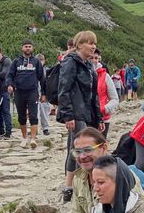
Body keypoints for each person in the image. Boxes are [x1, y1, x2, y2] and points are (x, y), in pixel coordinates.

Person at [58, 31, 103, 202]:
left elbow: (94, 95)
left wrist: (98, 118)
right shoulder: (70, 62)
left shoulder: (89, 65)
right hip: (76, 113)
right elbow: (64, 90)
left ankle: (71, 187)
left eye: (94, 43)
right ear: (79, 45)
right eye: (90, 43)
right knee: (80, 149)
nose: (93, 47)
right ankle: (74, 187)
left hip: (87, 113)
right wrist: (68, 115)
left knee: (76, 148)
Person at [6, 39, 46, 149]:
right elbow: (10, 75)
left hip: (32, 91)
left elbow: (42, 79)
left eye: (29, 46)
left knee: (33, 115)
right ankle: (24, 138)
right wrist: (9, 85)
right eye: (26, 46)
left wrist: (44, 93)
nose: (28, 48)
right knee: (21, 116)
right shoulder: (16, 61)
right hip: (19, 92)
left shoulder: (36, 62)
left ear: (32, 48)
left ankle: (33, 139)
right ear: (22, 48)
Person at [91, 49, 119, 138]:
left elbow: (115, 99)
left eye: (96, 58)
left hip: (103, 118)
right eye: (91, 57)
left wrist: (104, 109)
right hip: (85, 118)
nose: (94, 60)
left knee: (99, 144)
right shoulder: (81, 74)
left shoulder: (105, 76)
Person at [36, 54, 52, 136]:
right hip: (35, 94)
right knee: (35, 113)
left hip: (45, 94)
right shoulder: (33, 71)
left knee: (45, 112)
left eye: (41, 60)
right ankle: (35, 129)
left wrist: (45, 94)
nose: (40, 62)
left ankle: (45, 128)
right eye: (38, 60)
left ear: (44, 61)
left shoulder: (47, 71)